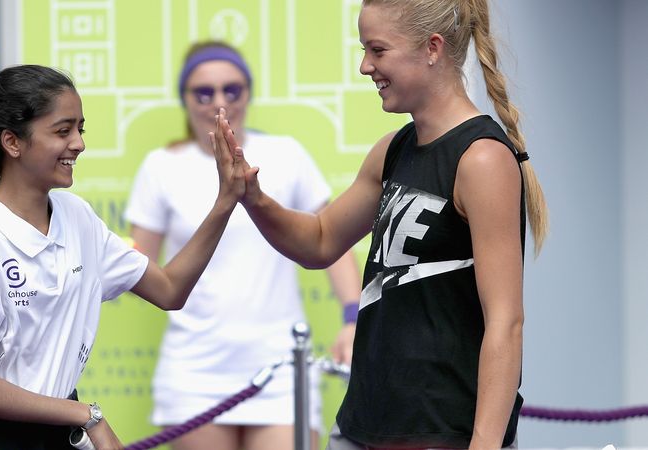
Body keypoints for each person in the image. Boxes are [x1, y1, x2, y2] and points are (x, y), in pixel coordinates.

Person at [214, 0, 549, 447]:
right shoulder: (393, 149)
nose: (364, 66)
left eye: (377, 50)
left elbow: (505, 322)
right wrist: (251, 197)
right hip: (364, 426)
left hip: (441, 433)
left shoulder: (482, 158)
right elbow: (318, 241)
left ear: (432, 48)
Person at [0, 64, 244, 450]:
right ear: (13, 143)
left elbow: (170, 290)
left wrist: (226, 200)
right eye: (63, 131)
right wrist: (85, 415)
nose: (78, 143)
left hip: (58, 432)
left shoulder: (77, 217)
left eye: (80, 128)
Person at [124, 41, 361, 450]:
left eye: (232, 90)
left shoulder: (286, 155)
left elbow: (331, 241)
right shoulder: (161, 166)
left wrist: (354, 317)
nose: (219, 102)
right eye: (204, 92)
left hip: (281, 365)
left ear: (248, 93)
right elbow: (139, 267)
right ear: (184, 98)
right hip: (194, 369)